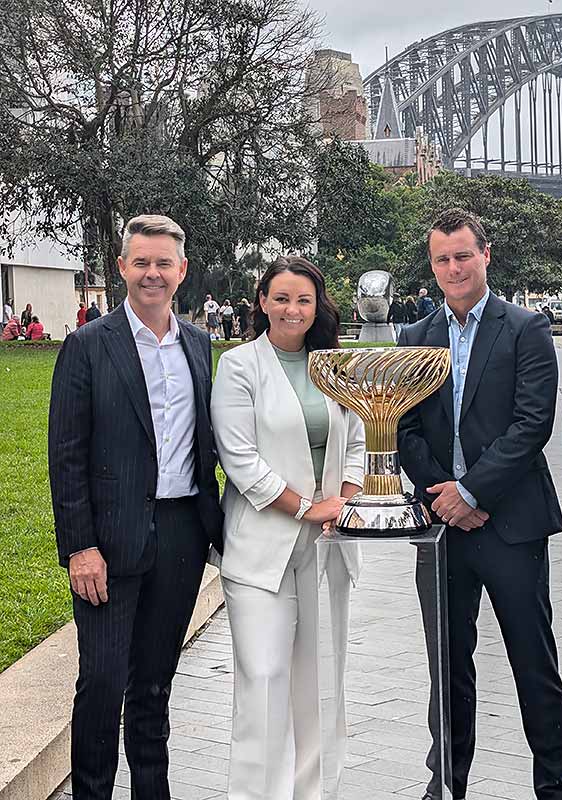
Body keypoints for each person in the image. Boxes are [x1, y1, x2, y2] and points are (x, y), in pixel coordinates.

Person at [397, 208, 562, 800]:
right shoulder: (414, 338)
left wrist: (471, 493)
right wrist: (443, 498)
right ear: (433, 266)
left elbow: (532, 424)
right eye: (442, 258)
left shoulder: (525, 328)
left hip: (510, 524)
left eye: (463, 255)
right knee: (447, 669)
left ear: (485, 256)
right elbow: (401, 430)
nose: (453, 267)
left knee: (534, 662)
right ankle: (446, 783)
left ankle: (557, 784)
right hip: (441, 527)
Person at [48, 214, 223, 800]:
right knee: (101, 683)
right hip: (108, 540)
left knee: (153, 687)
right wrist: (79, 546)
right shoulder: (87, 346)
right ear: (122, 267)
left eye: (163, 263)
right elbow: (66, 455)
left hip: (180, 535)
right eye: (141, 262)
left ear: (182, 270)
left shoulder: (199, 345)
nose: (153, 273)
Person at [210, 256, 365, 800]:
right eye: (280, 298)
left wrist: (343, 501)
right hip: (262, 548)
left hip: (327, 547)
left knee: (321, 687)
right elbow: (240, 459)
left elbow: (360, 441)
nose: (292, 309)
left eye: (303, 299)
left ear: (317, 305)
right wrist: (306, 507)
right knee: (264, 681)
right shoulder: (239, 366)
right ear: (262, 302)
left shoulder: (335, 365)